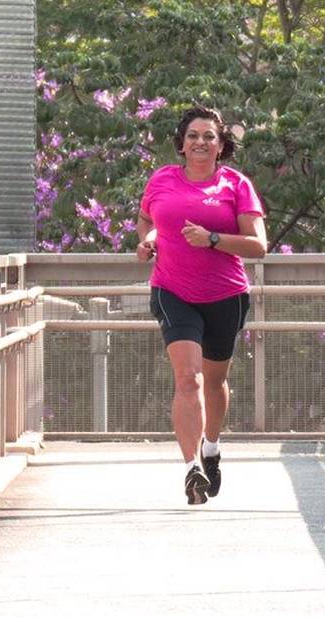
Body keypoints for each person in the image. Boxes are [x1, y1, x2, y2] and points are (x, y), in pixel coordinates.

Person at [136, 104, 267, 505]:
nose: (200, 143)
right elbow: (146, 219)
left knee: (214, 381)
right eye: (193, 135)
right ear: (181, 143)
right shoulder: (161, 180)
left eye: (209, 136)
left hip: (225, 294)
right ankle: (192, 467)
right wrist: (149, 240)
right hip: (173, 290)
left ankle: (211, 446)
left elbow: (259, 245)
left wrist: (212, 238)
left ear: (221, 144)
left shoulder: (236, 185)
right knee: (188, 378)